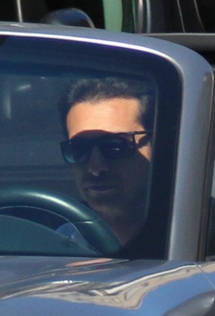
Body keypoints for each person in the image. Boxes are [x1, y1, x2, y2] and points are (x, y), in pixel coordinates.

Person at [60, 76, 158, 251]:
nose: (96, 168)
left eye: (115, 146)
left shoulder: (197, 247)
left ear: (157, 147)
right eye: (79, 148)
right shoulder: (51, 248)